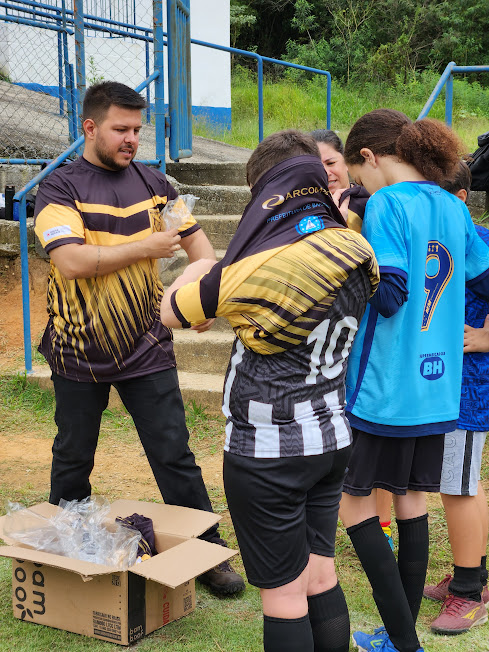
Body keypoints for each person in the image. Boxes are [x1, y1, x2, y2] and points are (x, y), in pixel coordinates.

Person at [160, 129, 379, 651]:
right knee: (321, 575)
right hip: (331, 437)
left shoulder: (252, 271)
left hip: (269, 451)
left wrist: (200, 267)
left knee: (283, 596)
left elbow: (172, 311)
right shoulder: (355, 246)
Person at [33, 81, 245, 596]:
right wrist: (145, 244)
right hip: (76, 348)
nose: (131, 138)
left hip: (145, 345)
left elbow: (202, 253)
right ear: (90, 127)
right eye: (120, 129)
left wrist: (194, 298)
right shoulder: (59, 188)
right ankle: (67, 548)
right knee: (73, 455)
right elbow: (71, 260)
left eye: (137, 129)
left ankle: (207, 551)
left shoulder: (157, 185)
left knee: (174, 453)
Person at [337, 109, 489, 652]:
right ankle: (398, 640)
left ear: (371, 159)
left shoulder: (384, 204)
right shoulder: (452, 205)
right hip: (439, 388)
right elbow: (484, 277)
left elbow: (393, 293)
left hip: (386, 388)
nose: (360, 186)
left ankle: (402, 639)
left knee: (353, 503)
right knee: (412, 500)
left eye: (358, 176)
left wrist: (352, 247)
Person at [423, 160, 489, 635]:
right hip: (443, 383)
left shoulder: (478, 242)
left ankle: (468, 594)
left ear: (461, 201)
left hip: (469, 387)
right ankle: (475, 575)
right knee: (458, 481)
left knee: (458, 484)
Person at [310, 129, 370, 232]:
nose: (325, 172)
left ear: (346, 162)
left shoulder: (369, 204)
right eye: (316, 166)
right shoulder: (301, 209)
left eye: (330, 163)